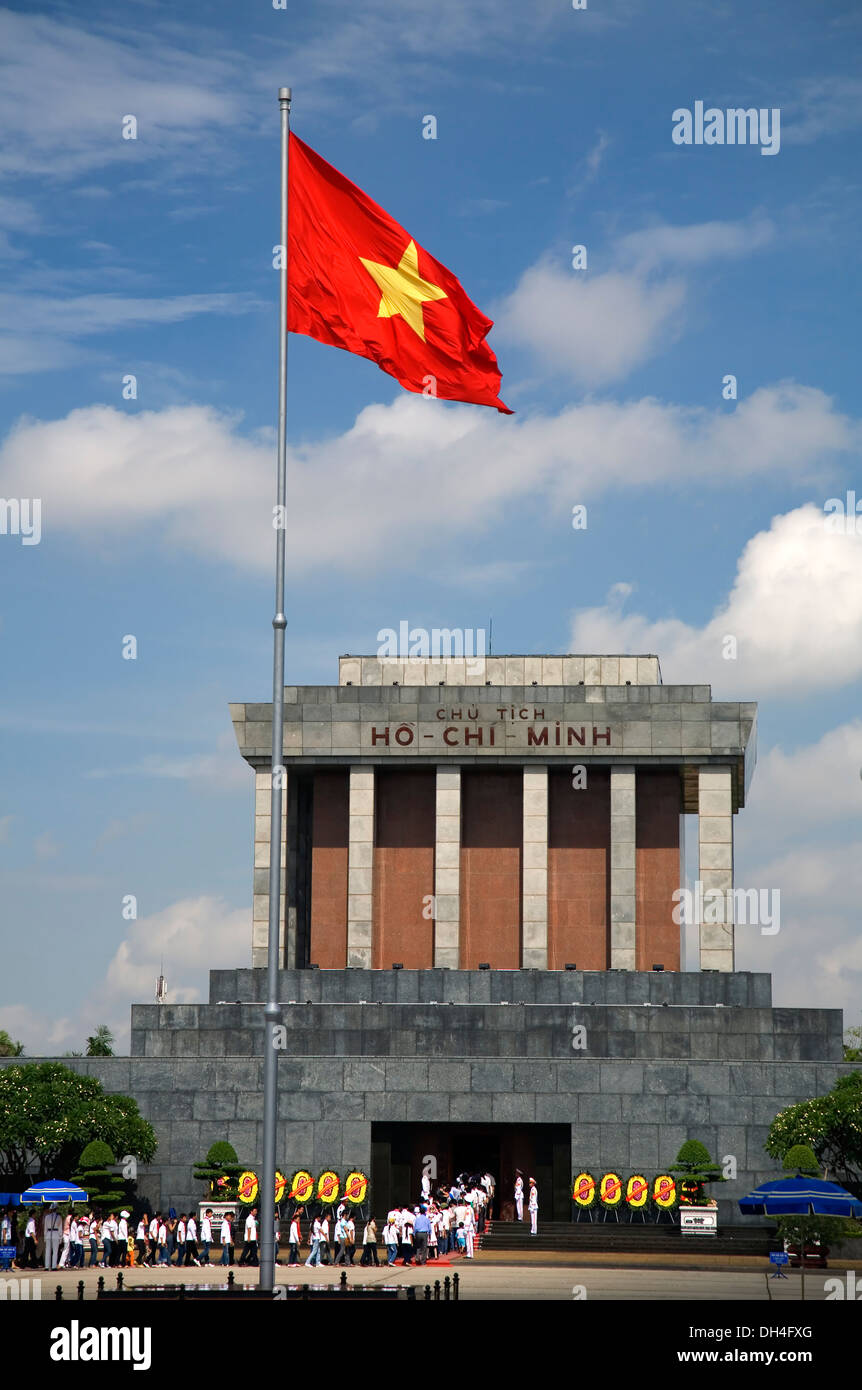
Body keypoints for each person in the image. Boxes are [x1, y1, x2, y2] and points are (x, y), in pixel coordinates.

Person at [43, 1205, 62, 1271]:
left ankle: (46, 1266)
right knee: (55, 1251)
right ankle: (54, 1266)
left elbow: (45, 1227)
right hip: (56, 1233)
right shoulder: (59, 1217)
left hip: (48, 1233)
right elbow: (60, 1228)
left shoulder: (47, 1217)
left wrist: (45, 1236)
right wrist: (60, 1237)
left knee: (47, 1251)